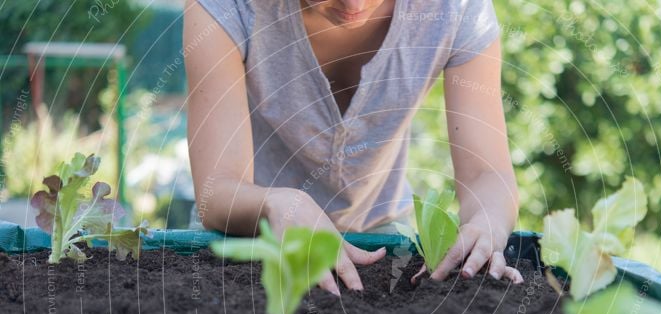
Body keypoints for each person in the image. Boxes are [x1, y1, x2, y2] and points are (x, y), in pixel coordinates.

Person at [184, 0, 523, 293]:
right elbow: (219, 189)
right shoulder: (230, 7)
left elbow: (486, 174)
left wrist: (488, 221)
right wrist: (280, 204)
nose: (354, 5)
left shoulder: (454, 9)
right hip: (248, 231)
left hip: (378, 236)